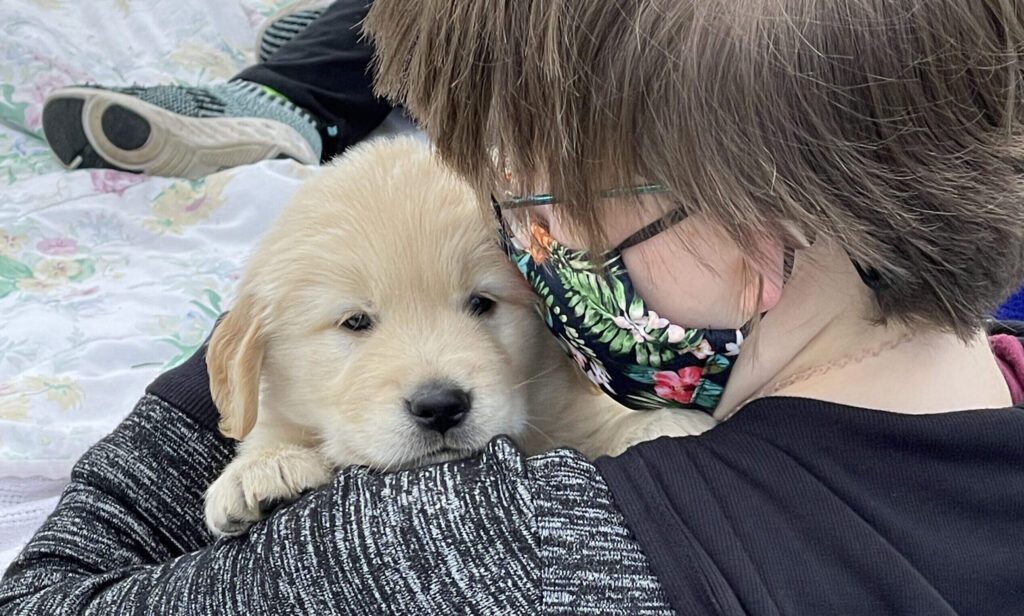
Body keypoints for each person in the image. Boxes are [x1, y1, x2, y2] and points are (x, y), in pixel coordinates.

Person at [4, 0, 1024, 614]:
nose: (521, 229)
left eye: (528, 189)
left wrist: (275, 311)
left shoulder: (482, 547)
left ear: (748, 246)